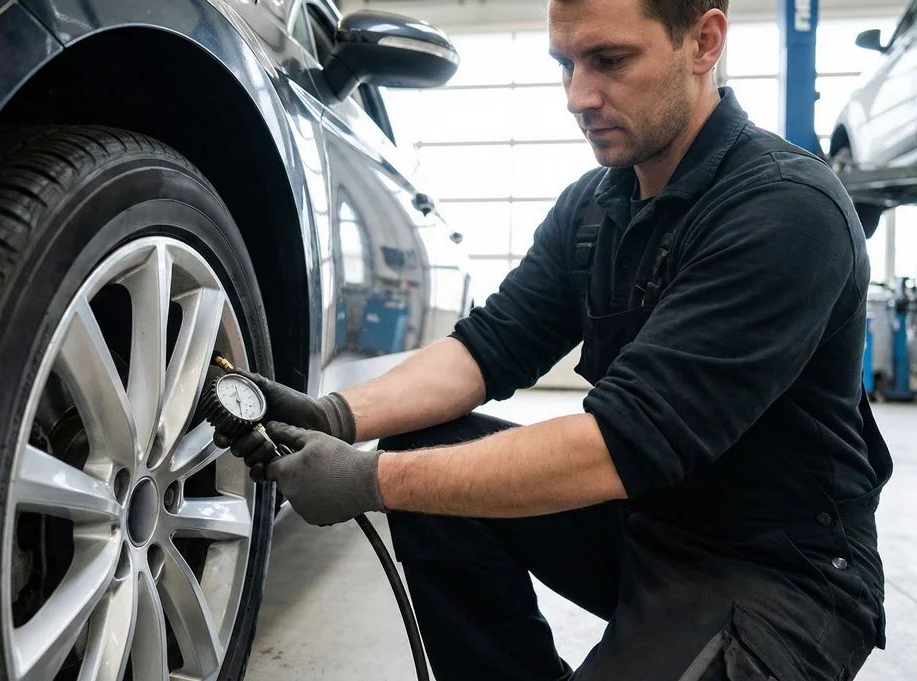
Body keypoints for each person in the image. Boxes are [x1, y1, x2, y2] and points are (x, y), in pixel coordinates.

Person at [222, 0, 892, 678]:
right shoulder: (594, 207)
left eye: (609, 60)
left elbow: (622, 444)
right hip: (642, 525)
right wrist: (336, 415)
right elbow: (487, 349)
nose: (578, 96)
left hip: (774, 568)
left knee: (407, 476)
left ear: (703, 42)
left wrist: (367, 480)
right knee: (422, 446)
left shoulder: (784, 209)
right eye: (565, 64)